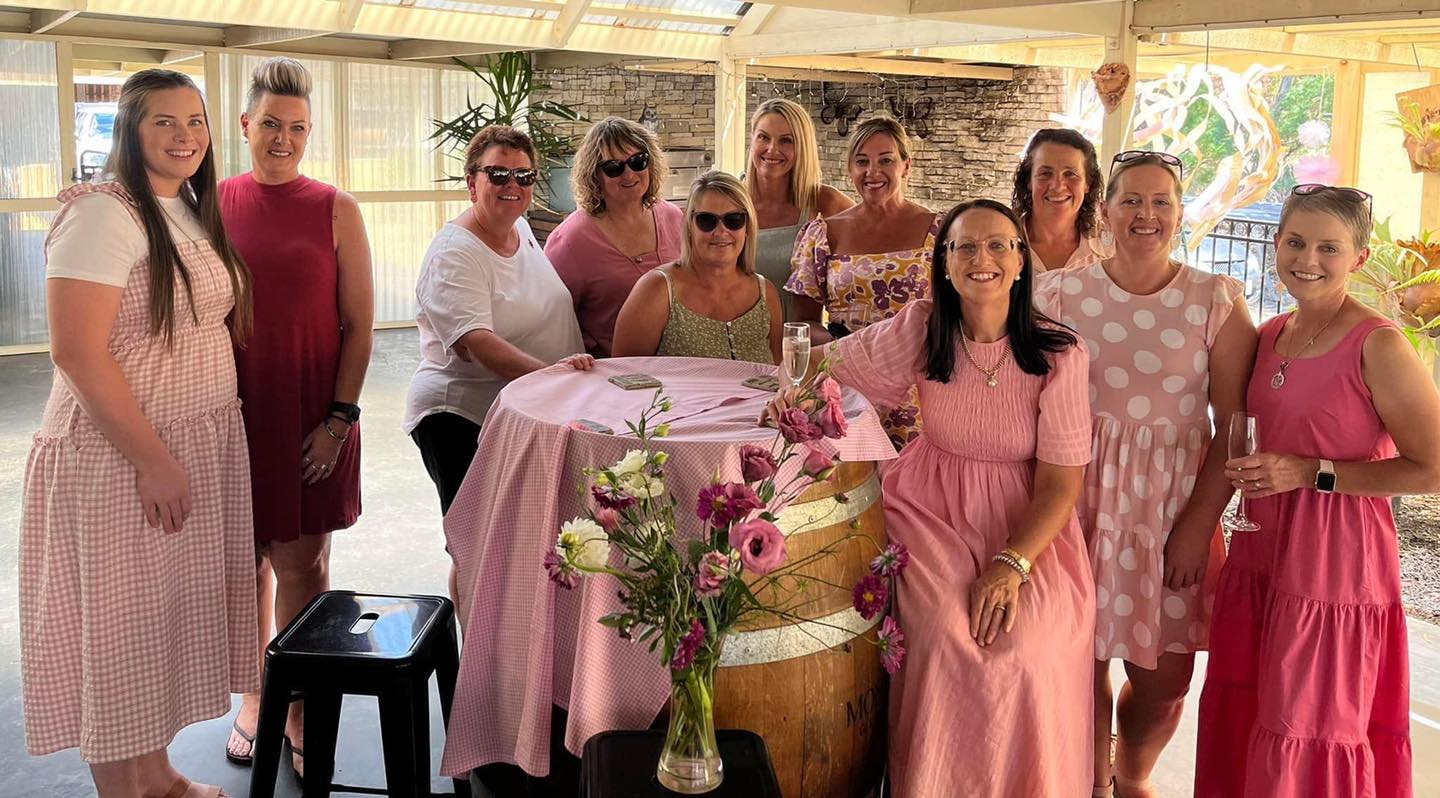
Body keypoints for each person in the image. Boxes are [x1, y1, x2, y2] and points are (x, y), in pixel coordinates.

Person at [781, 199, 1095, 796]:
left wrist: (1011, 563)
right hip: (930, 506)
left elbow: (1062, 481)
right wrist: (792, 390)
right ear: (944, 263)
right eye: (966, 246)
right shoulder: (924, 327)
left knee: (1031, 649)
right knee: (947, 634)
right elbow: (826, 365)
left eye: (999, 244)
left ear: (1022, 261)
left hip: (1028, 519)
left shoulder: (1060, 353)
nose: (984, 258)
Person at [19, 68, 256, 798]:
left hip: (184, 440)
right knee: (118, 633)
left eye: (195, 120)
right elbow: (76, 352)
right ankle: (128, 791)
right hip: (119, 456)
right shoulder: (102, 214)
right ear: (129, 129)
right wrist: (154, 461)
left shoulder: (181, 204)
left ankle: (157, 778)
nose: (185, 136)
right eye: (163, 121)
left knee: (150, 625)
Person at [1196, 184, 1440, 798]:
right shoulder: (1272, 331)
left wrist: (1313, 472)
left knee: (1307, 720)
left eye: (1328, 247)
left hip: (1334, 567)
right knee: (1250, 703)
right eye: (1296, 242)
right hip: (1262, 554)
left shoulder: (1379, 344)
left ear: (1358, 257)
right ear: (1276, 243)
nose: (1307, 258)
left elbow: (1432, 467)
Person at [1034, 150, 1258, 798]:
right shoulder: (1057, 293)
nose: (1146, 214)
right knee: (1077, 667)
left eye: (1161, 201)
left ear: (1181, 214)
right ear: (1104, 211)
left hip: (1170, 513)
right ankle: (1091, 781)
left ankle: (1130, 771)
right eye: (1132, 199)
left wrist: (1197, 526)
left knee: (1164, 685)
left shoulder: (1215, 300)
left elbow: (1233, 426)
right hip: (1075, 501)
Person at [217, 57, 375, 773]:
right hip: (230, 411)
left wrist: (338, 420)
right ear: (246, 126)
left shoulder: (336, 207)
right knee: (242, 565)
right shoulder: (210, 201)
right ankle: (254, 697)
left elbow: (360, 325)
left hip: (311, 411)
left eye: (299, 128)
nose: (284, 139)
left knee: (303, 562)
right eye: (272, 125)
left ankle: (301, 702)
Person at [405, 125, 592, 596]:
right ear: (472, 182)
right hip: (462, 418)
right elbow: (478, 343)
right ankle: (477, 662)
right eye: (499, 174)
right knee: (478, 547)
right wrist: (554, 377)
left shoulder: (519, 229)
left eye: (524, 176)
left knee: (514, 546)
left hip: (519, 412)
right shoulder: (455, 253)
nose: (513, 185)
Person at [787, 115, 936, 447]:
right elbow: (803, 322)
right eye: (862, 162)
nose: (873, 172)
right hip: (847, 388)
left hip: (919, 391)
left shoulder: (939, 232)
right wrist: (847, 351)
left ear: (906, 166)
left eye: (886, 160)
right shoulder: (823, 234)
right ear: (850, 170)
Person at [611, 170, 783, 364]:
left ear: (747, 227)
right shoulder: (657, 290)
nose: (721, 231)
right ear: (689, 225)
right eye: (706, 220)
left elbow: (777, 375)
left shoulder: (766, 294)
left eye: (734, 220)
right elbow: (623, 375)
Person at [545, 116, 682, 357]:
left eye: (638, 162)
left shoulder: (674, 217)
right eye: (614, 168)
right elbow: (553, 323)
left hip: (681, 367)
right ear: (594, 175)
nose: (628, 174)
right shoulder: (570, 241)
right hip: (610, 376)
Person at [744, 97, 853, 321]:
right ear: (752, 140)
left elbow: (874, 232)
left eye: (786, 141)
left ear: (802, 147)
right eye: (763, 137)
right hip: (735, 340)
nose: (772, 149)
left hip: (799, 343)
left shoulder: (825, 203)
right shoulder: (730, 201)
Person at [1012, 128, 1113, 272]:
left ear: (1087, 184)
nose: (1058, 186)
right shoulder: (1000, 243)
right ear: (1028, 181)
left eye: (1070, 174)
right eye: (1045, 173)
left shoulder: (1112, 247)